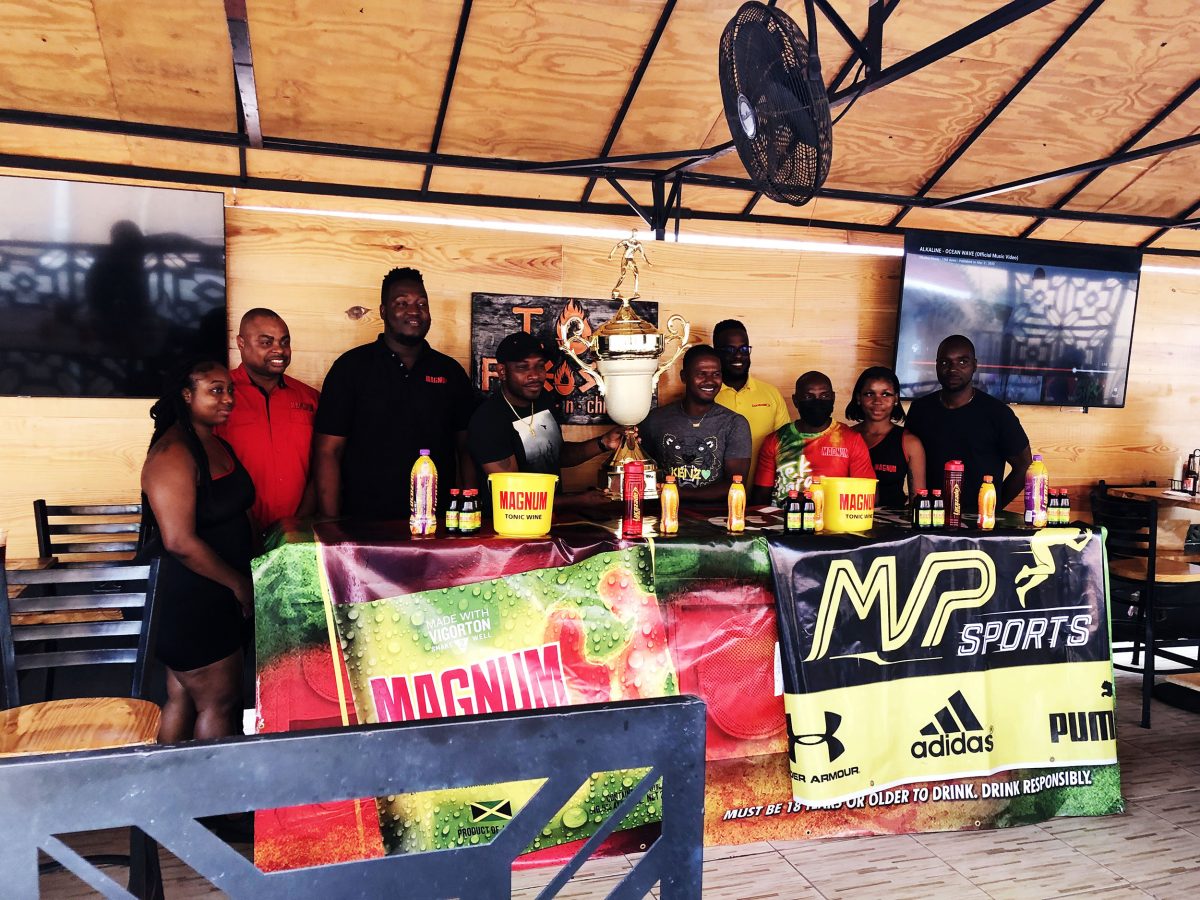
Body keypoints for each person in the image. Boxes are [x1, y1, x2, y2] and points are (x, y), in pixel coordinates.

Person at [139, 360, 253, 743]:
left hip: (210, 594)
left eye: (230, 390)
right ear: (187, 396)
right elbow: (179, 541)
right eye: (215, 390)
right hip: (187, 599)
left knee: (185, 696)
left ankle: (169, 793)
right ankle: (216, 800)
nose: (228, 399)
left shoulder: (214, 443)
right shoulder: (173, 452)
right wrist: (238, 584)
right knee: (219, 702)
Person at [313, 268, 477, 519]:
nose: (414, 311)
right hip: (363, 525)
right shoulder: (351, 367)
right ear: (383, 311)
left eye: (422, 303)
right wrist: (331, 525)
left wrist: (468, 515)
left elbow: (466, 449)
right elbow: (328, 452)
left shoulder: (450, 372)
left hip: (435, 526)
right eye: (402, 303)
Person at [467, 332, 625, 495]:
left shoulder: (543, 400)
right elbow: (514, 494)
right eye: (523, 367)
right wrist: (579, 501)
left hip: (550, 517)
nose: (535, 375)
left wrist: (603, 442)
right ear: (502, 371)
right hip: (508, 519)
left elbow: (555, 454)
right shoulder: (488, 420)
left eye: (540, 365)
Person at [214, 308, 319, 532]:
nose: (278, 350)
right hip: (236, 528)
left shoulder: (310, 398)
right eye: (266, 342)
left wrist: (299, 523)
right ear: (241, 343)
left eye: (284, 341)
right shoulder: (220, 396)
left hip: (298, 530)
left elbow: (321, 465)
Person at [905, 334, 1032, 513]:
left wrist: (993, 506)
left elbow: (1025, 466)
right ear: (936, 365)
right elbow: (909, 460)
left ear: (975, 365)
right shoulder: (920, 409)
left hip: (979, 524)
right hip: (931, 519)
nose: (953, 369)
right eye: (944, 363)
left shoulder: (998, 413)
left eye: (962, 362)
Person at [640, 345, 752, 501]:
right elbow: (641, 474)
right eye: (701, 374)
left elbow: (735, 484)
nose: (710, 381)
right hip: (664, 513)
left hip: (715, 518)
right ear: (684, 377)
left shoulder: (734, 423)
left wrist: (679, 493)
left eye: (716, 374)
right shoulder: (655, 420)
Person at [752, 370, 874, 506]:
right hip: (783, 522)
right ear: (796, 401)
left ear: (833, 398)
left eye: (824, 396)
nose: (817, 402)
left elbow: (868, 496)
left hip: (831, 522)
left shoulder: (851, 440)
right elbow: (760, 499)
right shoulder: (776, 440)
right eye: (809, 397)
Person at [712, 319, 790, 484]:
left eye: (744, 349)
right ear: (715, 353)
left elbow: (786, 450)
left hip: (762, 498)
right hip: (715, 500)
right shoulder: (707, 395)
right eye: (729, 350)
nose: (738, 355)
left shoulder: (771, 394)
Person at [845, 366, 927, 509]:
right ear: (858, 398)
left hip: (893, 527)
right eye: (869, 394)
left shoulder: (909, 442)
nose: (878, 401)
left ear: (895, 399)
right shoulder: (844, 437)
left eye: (886, 394)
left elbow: (918, 501)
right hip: (848, 521)